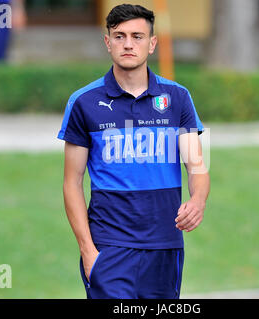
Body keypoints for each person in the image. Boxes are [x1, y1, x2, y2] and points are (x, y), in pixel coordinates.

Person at [58, 4, 210, 299]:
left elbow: (197, 167)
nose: (128, 44)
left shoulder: (178, 97)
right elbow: (71, 183)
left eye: (137, 36)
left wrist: (198, 200)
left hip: (165, 244)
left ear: (152, 44)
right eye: (119, 36)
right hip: (109, 246)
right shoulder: (83, 102)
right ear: (107, 42)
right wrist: (89, 251)